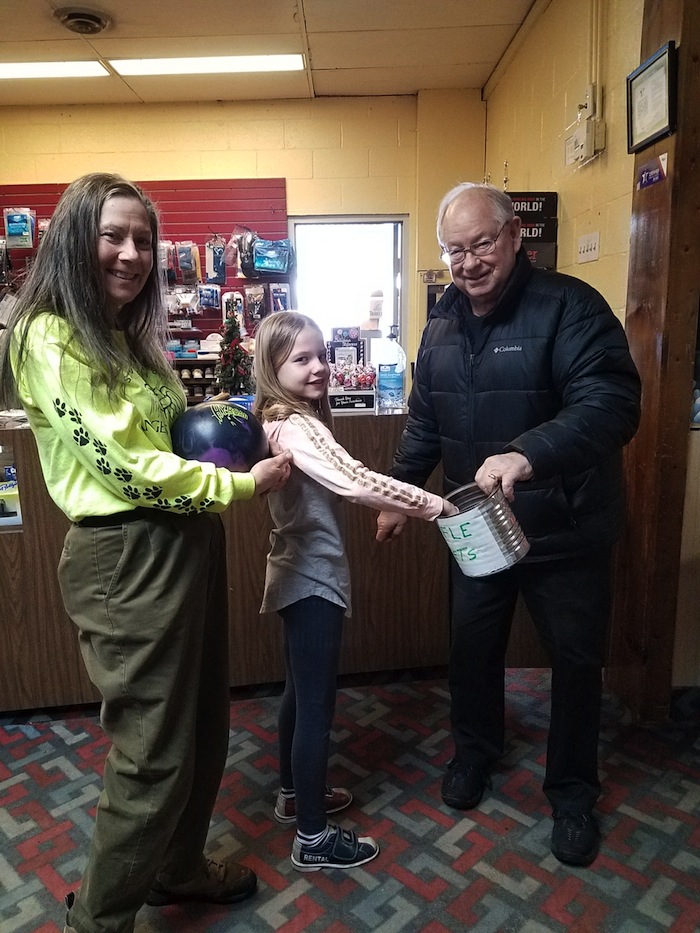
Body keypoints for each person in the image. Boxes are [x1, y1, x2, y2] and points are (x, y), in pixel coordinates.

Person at [0, 172, 292, 933]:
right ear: (73, 239)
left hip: (182, 536)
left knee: (201, 724)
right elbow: (122, 464)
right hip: (125, 554)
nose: (132, 254)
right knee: (151, 754)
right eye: (113, 235)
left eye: (143, 240)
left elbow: (158, 435)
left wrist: (228, 417)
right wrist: (239, 487)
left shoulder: (125, 335)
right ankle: (98, 921)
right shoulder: (47, 333)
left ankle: (177, 864)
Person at [375, 182, 641, 867]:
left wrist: (529, 454)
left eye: (481, 243)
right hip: (477, 527)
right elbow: (426, 424)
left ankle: (575, 788)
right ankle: (474, 752)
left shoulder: (571, 307)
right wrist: (399, 491)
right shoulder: (440, 325)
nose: (468, 262)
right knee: (471, 648)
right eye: (454, 250)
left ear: (515, 234)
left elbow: (612, 403)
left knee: (577, 663)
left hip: (566, 527)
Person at [253, 310, 456, 872]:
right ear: (273, 367)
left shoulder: (281, 418)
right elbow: (356, 479)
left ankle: (295, 796)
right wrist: (428, 503)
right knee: (316, 706)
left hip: (297, 571)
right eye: (301, 359)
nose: (319, 367)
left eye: (322, 355)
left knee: (299, 690)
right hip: (309, 579)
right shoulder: (296, 426)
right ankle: (313, 839)